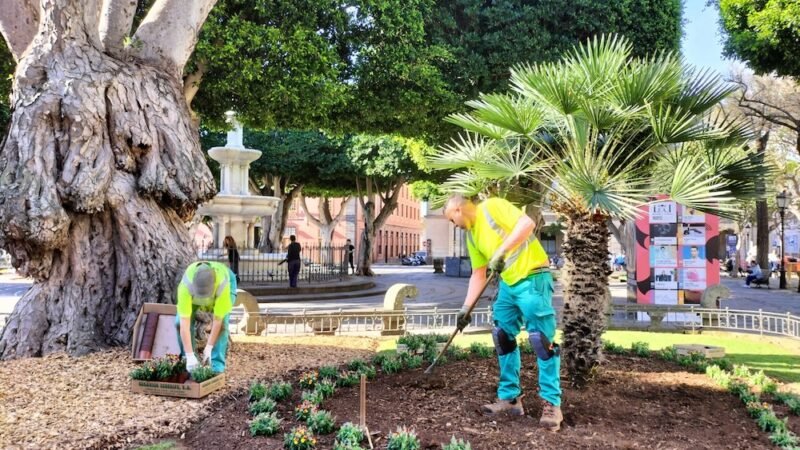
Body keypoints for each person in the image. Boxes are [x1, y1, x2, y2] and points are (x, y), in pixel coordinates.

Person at [445, 195, 562, 432]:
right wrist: (465, 309)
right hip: (509, 285)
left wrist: (501, 252)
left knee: (541, 340)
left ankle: (552, 404)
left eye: (451, 219)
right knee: (501, 335)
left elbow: (526, 224)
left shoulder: (492, 206)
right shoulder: (472, 236)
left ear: (458, 209)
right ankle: (510, 399)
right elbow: (478, 274)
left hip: (533, 277)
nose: (453, 225)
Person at [174, 261, 236, 373]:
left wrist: (209, 347)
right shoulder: (186, 286)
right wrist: (189, 355)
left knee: (223, 325)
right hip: (193, 295)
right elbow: (184, 323)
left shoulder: (222, 285)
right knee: (178, 322)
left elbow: (218, 322)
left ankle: (217, 365)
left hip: (223, 287)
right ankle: (189, 361)